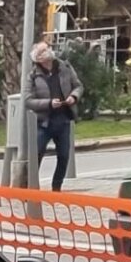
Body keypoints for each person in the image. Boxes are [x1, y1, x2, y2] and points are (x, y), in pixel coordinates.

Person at [26, 42, 82, 191]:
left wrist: (73, 97)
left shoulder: (65, 67)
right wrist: (49, 103)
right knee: (36, 155)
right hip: (44, 122)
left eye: (48, 48)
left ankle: (56, 188)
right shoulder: (33, 75)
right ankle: (30, 189)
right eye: (43, 50)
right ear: (38, 58)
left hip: (63, 119)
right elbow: (28, 100)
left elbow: (78, 86)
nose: (48, 51)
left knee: (64, 156)